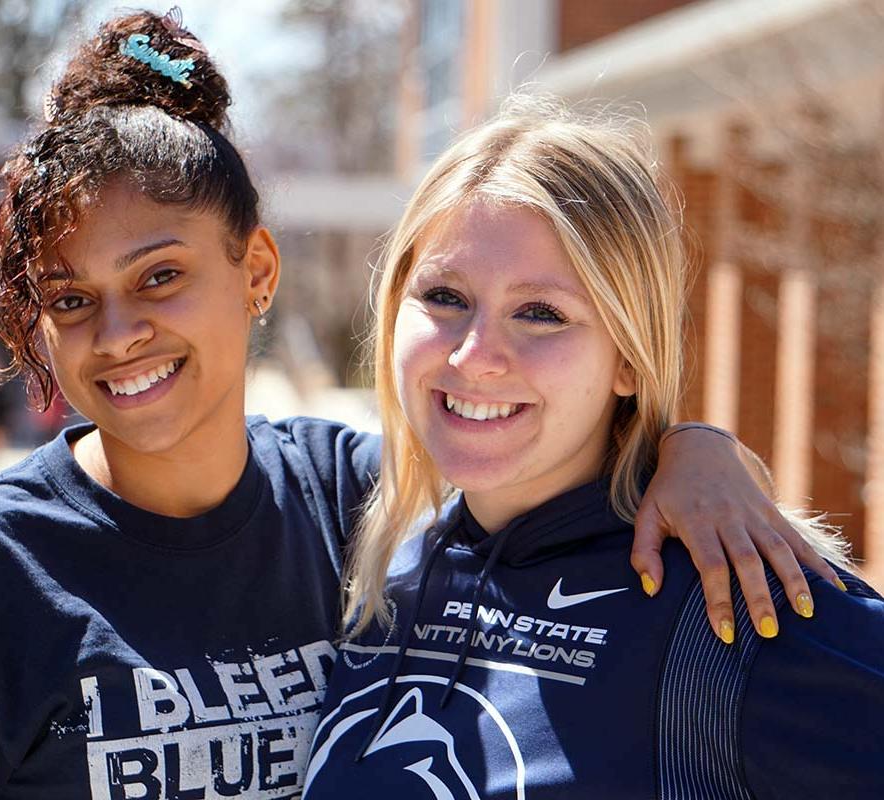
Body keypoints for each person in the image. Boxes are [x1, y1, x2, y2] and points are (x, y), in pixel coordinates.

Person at [0, 12, 849, 800]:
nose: (118, 332)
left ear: (256, 269)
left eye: (160, 276)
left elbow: (548, 435)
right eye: (69, 298)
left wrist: (695, 448)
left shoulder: (353, 504)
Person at [303, 94, 884, 798]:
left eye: (541, 313)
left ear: (629, 359)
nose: (476, 354)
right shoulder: (374, 552)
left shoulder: (725, 595)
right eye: (445, 296)